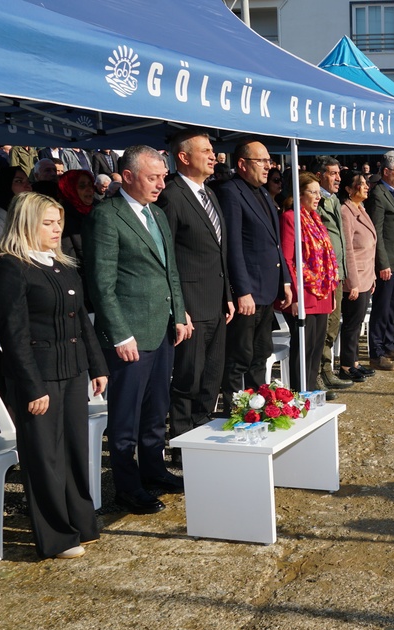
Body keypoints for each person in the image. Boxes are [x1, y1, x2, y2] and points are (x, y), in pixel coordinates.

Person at [0, 192, 108, 559]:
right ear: (27, 223)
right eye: (47, 222)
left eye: (58, 221)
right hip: (38, 378)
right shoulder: (12, 267)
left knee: (75, 450)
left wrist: (97, 367)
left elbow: (82, 323)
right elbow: (13, 335)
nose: (56, 228)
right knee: (45, 458)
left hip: (73, 371)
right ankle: (57, 536)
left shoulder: (62, 265)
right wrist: (32, 386)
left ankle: (81, 522)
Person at [82, 145, 191, 515]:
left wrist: (179, 312)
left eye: (163, 176)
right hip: (129, 335)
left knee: (155, 408)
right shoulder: (106, 217)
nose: (161, 183)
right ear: (127, 176)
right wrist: (119, 333)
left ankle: (154, 470)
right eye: (153, 177)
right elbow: (101, 283)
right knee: (125, 417)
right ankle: (127, 487)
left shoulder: (157, 215)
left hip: (161, 329)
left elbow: (169, 270)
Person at [155, 129, 232, 439]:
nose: (213, 155)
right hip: (190, 304)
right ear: (183, 157)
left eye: (212, 150)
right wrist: (178, 307)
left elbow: (218, 249)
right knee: (189, 376)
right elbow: (166, 255)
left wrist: (228, 293)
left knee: (212, 375)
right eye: (205, 150)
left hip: (216, 301)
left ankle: (203, 433)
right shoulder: (171, 196)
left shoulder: (209, 192)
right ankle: (184, 438)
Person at [213, 138, 292, 410]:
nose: (268, 166)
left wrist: (285, 281)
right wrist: (241, 290)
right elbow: (232, 246)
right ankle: (236, 409)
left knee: (261, 353)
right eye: (262, 161)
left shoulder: (264, 194)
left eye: (269, 161)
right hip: (248, 292)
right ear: (242, 164)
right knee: (240, 356)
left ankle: (259, 407)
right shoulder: (231, 192)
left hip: (268, 289)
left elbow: (275, 242)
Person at [280, 171, 339, 390]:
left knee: (316, 346)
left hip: (321, 292)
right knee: (303, 348)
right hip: (303, 293)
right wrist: (294, 296)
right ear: (299, 194)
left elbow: (327, 259)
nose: (318, 197)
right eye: (312, 192)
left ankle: (312, 387)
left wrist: (331, 292)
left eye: (318, 193)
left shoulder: (315, 218)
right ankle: (299, 391)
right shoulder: (290, 218)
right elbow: (288, 259)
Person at [364, 151, 394, 371]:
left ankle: (389, 343)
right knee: (382, 308)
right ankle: (376, 352)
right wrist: (382, 263)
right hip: (387, 262)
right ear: (386, 171)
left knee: (393, 307)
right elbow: (377, 231)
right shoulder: (379, 195)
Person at [312, 156, 354, 392]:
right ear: (319, 176)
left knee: (332, 326)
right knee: (323, 327)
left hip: (336, 273)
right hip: (322, 276)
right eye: (333, 173)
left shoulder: (334, 200)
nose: (338, 178)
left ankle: (327, 370)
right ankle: (316, 374)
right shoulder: (316, 201)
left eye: (339, 173)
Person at [337, 170, 378, 382]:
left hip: (366, 276)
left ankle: (353, 361)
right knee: (352, 323)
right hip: (355, 278)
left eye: (366, 183)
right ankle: (346, 365)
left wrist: (371, 278)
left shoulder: (360, 208)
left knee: (358, 320)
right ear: (349, 189)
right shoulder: (345, 211)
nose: (366, 186)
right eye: (361, 184)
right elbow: (348, 250)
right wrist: (352, 281)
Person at [57, 169, 95, 266]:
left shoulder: (98, 210)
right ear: (69, 189)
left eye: (90, 185)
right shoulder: (62, 217)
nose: (89, 189)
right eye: (82, 186)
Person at [0, 166, 34, 241]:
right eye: (19, 181)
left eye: (28, 182)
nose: (28, 186)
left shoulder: (31, 214)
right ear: (5, 184)